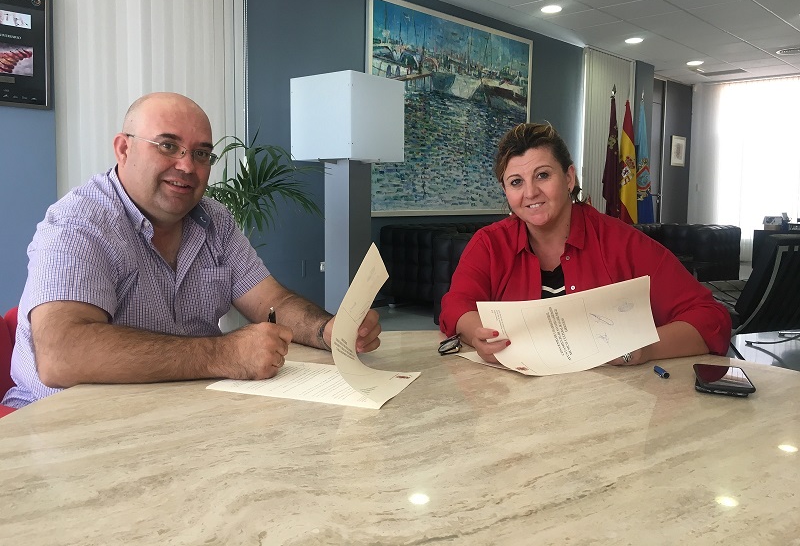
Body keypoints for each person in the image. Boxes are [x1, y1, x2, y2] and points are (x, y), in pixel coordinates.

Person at [3, 92, 381, 408]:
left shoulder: (214, 220)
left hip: (182, 412)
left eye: (201, 154)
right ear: (124, 149)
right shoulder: (78, 224)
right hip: (66, 426)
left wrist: (326, 330)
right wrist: (224, 354)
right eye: (168, 146)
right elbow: (62, 355)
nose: (187, 166)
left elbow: (272, 300)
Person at [439, 122, 731, 365]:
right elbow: (455, 304)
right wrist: (475, 332)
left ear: (569, 178)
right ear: (505, 190)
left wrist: (643, 349)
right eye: (516, 182)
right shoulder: (489, 244)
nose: (530, 192)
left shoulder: (621, 242)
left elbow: (711, 318)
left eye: (542, 175)